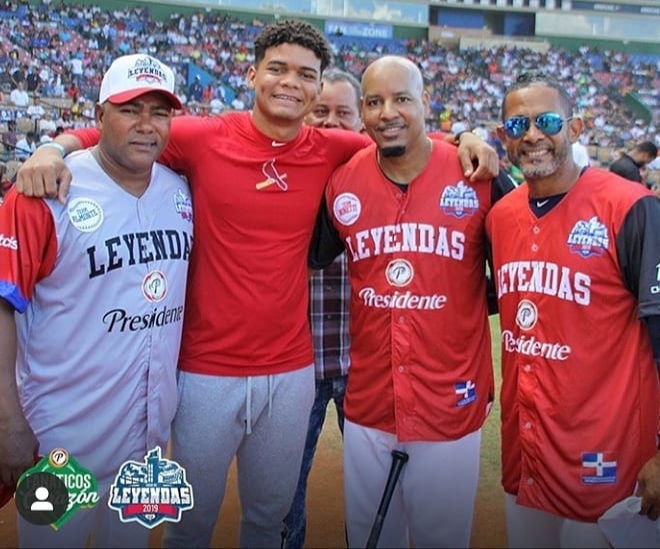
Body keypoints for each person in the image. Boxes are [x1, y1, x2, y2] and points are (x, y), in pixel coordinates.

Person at [14, 20, 499, 549]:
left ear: (319, 86)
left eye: (305, 74)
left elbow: (404, 134)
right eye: (277, 69)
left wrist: (467, 139)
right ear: (251, 75)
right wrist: (54, 147)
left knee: (270, 519)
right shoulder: (204, 137)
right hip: (205, 371)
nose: (290, 82)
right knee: (189, 523)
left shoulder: (332, 147)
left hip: (291, 372)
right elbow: (122, 128)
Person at [308, 55, 515, 548]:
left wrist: (460, 298)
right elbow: (309, 255)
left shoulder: (477, 177)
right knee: (369, 538)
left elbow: (518, 272)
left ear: (425, 101)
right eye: (374, 102)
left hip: (449, 402)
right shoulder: (342, 183)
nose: (388, 112)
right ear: (363, 111)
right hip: (370, 403)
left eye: (401, 98)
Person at [0, 53, 191, 548]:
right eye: (130, 110)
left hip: (147, 437)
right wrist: (7, 420)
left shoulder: (181, 191)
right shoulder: (43, 193)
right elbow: (2, 304)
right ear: (100, 114)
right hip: (62, 438)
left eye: (160, 112)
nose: (146, 125)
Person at [485, 72, 660, 548]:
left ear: (576, 128)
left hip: (608, 459)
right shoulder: (500, 217)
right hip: (528, 453)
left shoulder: (631, 207)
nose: (532, 135)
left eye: (546, 121)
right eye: (517, 125)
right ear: (503, 136)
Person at [282, 67, 362, 549]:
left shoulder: (384, 178)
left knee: (372, 493)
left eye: (343, 113)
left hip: (365, 368)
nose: (331, 123)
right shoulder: (280, 175)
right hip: (296, 367)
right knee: (283, 495)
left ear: (362, 119)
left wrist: (465, 138)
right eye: (321, 112)